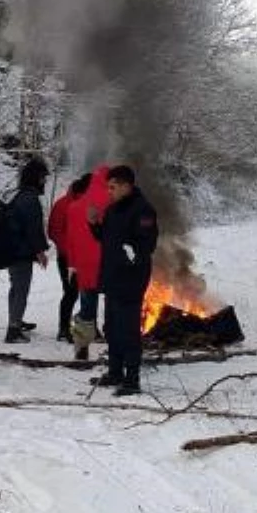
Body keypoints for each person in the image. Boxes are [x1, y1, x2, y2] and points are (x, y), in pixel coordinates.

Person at [87, 165, 158, 396]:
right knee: (112, 327)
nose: (109, 191)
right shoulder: (113, 210)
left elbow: (145, 246)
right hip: (112, 278)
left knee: (128, 330)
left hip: (130, 280)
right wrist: (94, 224)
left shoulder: (143, 210)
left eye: (113, 187)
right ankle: (115, 371)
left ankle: (132, 379)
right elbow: (104, 239)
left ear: (127, 185)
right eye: (108, 187)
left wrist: (128, 253)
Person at [65, 165, 111, 360]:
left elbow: (70, 239)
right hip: (108, 264)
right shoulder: (112, 204)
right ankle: (114, 342)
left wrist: (72, 263)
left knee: (87, 307)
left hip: (84, 265)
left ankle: (81, 345)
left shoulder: (74, 207)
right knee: (113, 305)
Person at [3, 156, 50, 344]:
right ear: (36, 178)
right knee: (21, 289)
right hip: (20, 252)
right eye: (43, 178)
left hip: (12, 249)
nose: (44, 181)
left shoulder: (18, 195)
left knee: (16, 288)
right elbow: (33, 229)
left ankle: (15, 321)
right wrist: (40, 251)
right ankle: (13, 330)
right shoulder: (30, 200)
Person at [47, 174, 89, 342]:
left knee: (88, 293)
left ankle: (86, 325)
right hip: (68, 259)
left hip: (87, 258)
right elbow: (55, 232)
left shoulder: (91, 204)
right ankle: (64, 329)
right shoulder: (64, 204)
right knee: (71, 293)